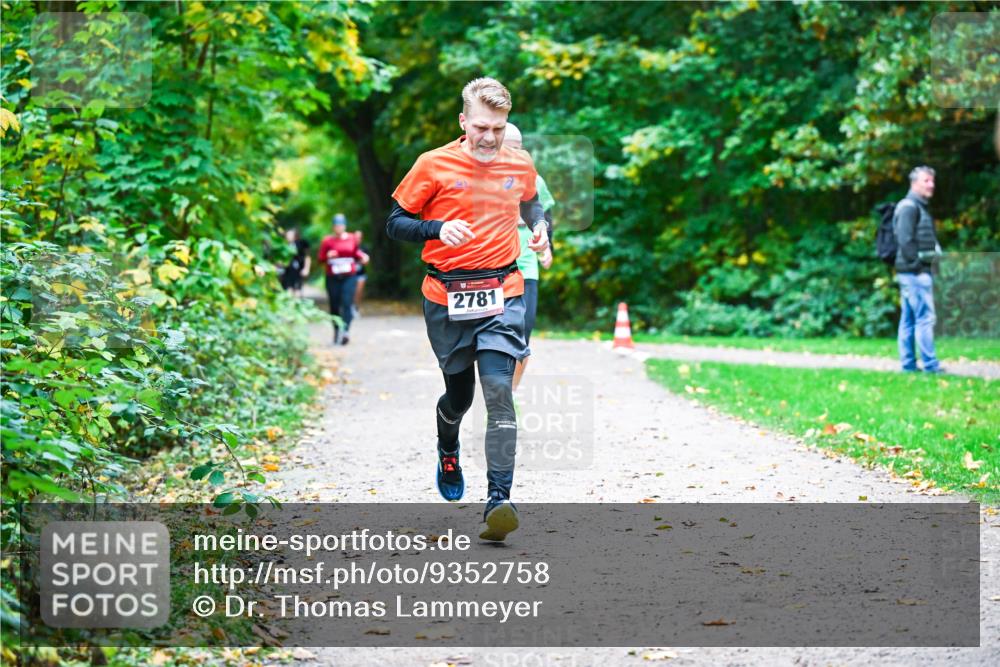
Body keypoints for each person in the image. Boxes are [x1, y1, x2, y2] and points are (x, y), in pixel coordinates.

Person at [386, 77, 548, 542]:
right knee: (459, 398)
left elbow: (532, 205)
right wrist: (436, 228)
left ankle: (499, 500)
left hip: (503, 291)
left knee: (499, 392)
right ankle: (448, 446)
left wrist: (541, 229)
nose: (490, 138)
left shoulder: (519, 162)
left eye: (498, 128)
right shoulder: (432, 164)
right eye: (481, 127)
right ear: (463, 122)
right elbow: (395, 223)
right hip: (446, 297)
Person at [503, 124, 555, 391]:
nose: (515, 153)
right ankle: (493, 385)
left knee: (524, 331)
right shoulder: (481, 177)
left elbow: (545, 214)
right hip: (493, 265)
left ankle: (509, 394)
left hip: (526, 263)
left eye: (518, 148)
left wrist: (548, 247)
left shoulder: (532, 178)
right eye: (508, 147)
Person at [894, 165, 942, 373]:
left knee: (909, 319)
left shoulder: (917, 206)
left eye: (932, 181)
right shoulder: (909, 207)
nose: (931, 185)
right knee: (925, 319)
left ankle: (908, 364)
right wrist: (917, 267)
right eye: (926, 181)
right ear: (914, 183)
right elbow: (904, 240)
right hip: (914, 273)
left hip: (911, 271)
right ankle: (930, 365)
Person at [318, 214, 368, 345]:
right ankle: (336, 330)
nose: (338, 228)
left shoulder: (352, 238)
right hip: (333, 277)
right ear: (333, 227)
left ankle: (345, 331)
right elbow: (320, 259)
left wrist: (363, 257)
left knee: (347, 302)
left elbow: (356, 253)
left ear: (344, 226)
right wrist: (328, 255)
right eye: (336, 226)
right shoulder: (327, 241)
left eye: (340, 225)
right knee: (334, 305)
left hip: (349, 276)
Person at [279, 228, 310, 297]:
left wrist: (306, 268)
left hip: (297, 271)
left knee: (297, 292)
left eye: (291, 235)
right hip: (286, 272)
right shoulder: (281, 245)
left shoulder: (300, 244)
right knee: (288, 291)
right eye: (288, 235)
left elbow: (307, 257)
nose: (289, 236)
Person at [353, 230, 370, 317]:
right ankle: (349, 307)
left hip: (361, 274)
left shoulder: (364, 248)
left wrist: (361, 261)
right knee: (350, 292)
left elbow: (366, 261)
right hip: (350, 275)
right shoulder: (349, 247)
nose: (357, 239)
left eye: (359, 237)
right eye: (356, 237)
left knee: (359, 292)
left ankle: (356, 308)